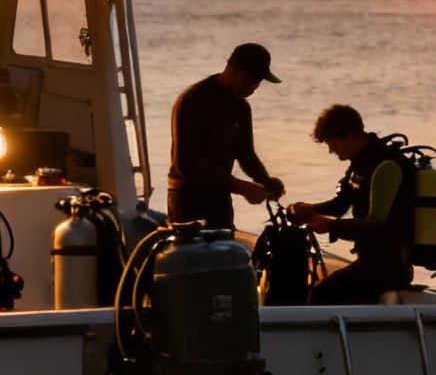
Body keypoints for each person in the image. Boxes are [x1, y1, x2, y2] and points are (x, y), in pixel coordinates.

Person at [287, 104, 415, 305]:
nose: (331, 151)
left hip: (389, 267)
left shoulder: (386, 166)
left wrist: (331, 226)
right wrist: (311, 210)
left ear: (349, 135)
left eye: (334, 144)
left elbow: (376, 222)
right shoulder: (360, 164)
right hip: (369, 263)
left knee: (321, 294)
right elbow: (340, 204)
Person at [166, 42, 285, 228]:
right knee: (194, 254)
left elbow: (246, 154)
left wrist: (265, 181)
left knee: (226, 251)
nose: (253, 87)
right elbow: (186, 163)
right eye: (249, 80)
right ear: (232, 68)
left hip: (219, 196)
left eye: (258, 83)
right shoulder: (192, 100)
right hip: (187, 197)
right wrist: (240, 187)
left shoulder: (241, 107)